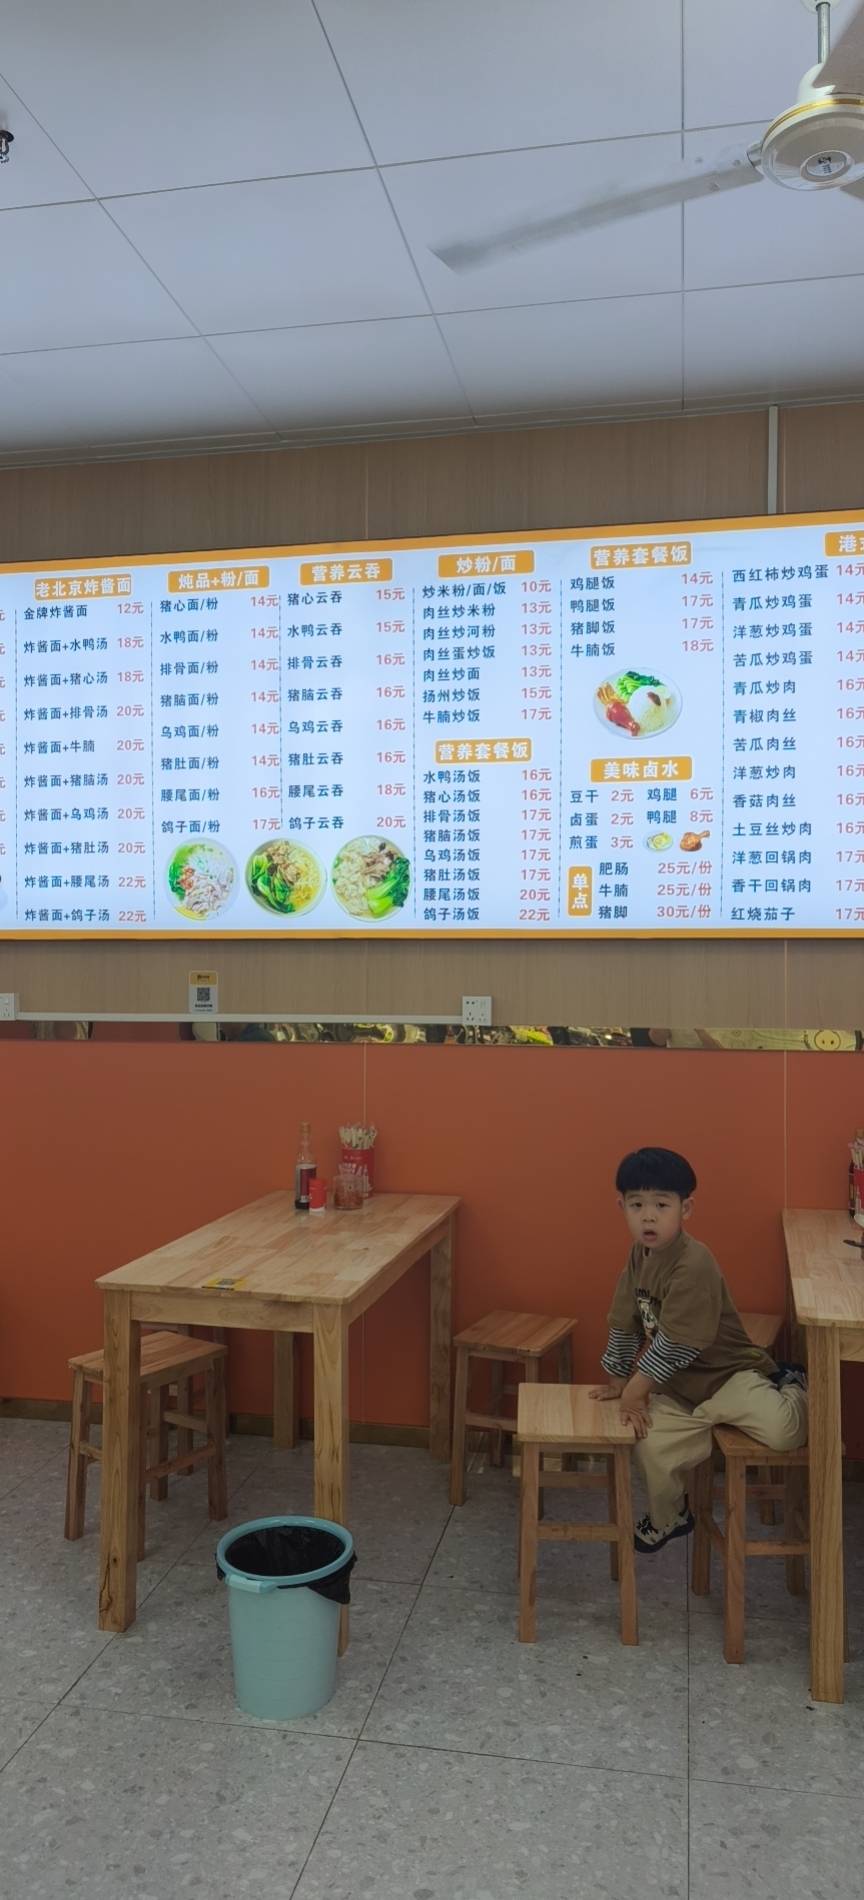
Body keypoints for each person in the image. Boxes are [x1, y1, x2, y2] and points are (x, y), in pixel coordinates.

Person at [590, 1146, 808, 1553]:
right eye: (637, 1205)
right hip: (679, 1387)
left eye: (661, 1205)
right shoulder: (638, 1256)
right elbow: (624, 1319)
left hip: (728, 1375)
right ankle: (671, 1516)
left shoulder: (694, 1263)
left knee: (784, 1433)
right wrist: (618, 1378)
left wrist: (636, 1390)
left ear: (685, 1209)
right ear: (621, 1207)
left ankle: (792, 1383)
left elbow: (677, 1343)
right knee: (650, 1445)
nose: (648, 1216)